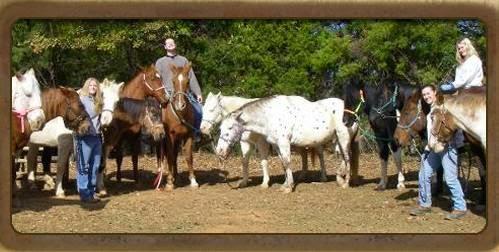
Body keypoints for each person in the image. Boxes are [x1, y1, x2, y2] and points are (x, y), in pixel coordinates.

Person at [409, 84, 467, 220]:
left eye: (428, 93)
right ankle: (424, 205)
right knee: (424, 174)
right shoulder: (431, 109)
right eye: (424, 95)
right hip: (433, 148)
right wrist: (428, 146)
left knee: (451, 178)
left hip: (447, 146)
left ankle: (460, 207)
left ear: (435, 92)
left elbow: (453, 127)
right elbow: (432, 131)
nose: (426, 96)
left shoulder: (444, 105)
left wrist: (455, 143)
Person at [155, 38, 203, 140]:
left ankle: (196, 132)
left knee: (199, 109)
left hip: (184, 92)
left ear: (175, 45)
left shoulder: (183, 60)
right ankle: (160, 133)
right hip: (167, 91)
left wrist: (198, 93)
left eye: (172, 42)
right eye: (168, 43)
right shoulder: (160, 62)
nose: (170, 44)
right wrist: (160, 92)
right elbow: (156, 80)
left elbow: (192, 78)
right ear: (165, 47)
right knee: (155, 111)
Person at [75, 77, 103, 203]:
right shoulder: (82, 100)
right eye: (91, 85)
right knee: (84, 166)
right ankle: (84, 193)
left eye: (95, 85)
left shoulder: (98, 101)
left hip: (97, 137)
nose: (93, 87)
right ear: (87, 86)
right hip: (85, 137)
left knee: (95, 166)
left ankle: (91, 192)